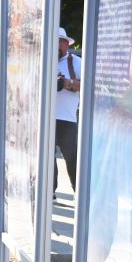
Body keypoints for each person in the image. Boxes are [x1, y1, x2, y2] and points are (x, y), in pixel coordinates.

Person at [53, 27, 82, 197]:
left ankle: (78, 192)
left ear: (65, 43)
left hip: (68, 117)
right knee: (47, 157)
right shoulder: (43, 59)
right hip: (46, 116)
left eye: (58, 42)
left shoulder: (76, 62)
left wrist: (66, 83)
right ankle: (49, 191)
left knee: (71, 157)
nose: (55, 46)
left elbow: (85, 84)